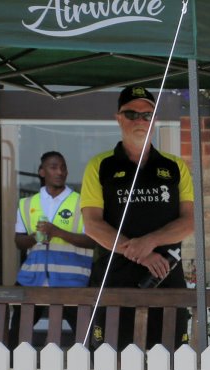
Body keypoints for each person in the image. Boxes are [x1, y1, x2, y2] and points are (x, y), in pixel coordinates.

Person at [80, 85, 195, 348]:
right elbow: (92, 224)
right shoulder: (100, 166)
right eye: (131, 114)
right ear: (118, 118)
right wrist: (141, 253)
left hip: (165, 281)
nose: (140, 120)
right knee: (109, 367)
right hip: (113, 283)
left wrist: (151, 241)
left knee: (170, 365)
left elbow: (189, 222)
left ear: (154, 120)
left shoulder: (175, 167)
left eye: (147, 114)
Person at [14, 151, 96, 287]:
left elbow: (93, 242)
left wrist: (57, 232)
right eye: (53, 167)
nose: (60, 172)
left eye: (63, 168)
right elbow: (18, 242)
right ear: (42, 172)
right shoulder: (26, 204)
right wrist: (36, 237)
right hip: (32, 281)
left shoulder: (82, 203)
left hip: (71, 284)